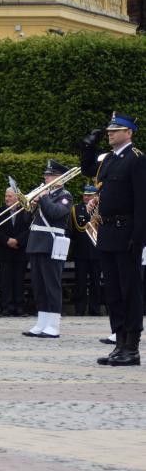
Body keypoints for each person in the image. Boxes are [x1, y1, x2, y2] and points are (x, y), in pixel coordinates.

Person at [81, 113, 146, 366]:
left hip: (127, 231)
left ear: (128, 133)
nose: (110, 133)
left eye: (116, 130)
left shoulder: (137, 160)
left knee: (130, 290)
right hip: (107, 232)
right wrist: (88, 146)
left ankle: (132, 347)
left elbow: (142, 202)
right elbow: (88, 170)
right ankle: (119, 343)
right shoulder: (108, 159)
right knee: (113, 291)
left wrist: (139, 238)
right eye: (109, 130)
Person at [22, 159, 73, 339]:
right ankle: (42, 322)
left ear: (60, 178)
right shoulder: (47, 195)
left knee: (52, 285)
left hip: (52, 244)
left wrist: (42, 198)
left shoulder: (65, 196)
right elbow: (27, 220)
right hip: (36, 243)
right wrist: (33, 205)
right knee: (39, 285)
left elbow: (55, 213)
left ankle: (53, 324)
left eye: (50, 175)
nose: (46, 177)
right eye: (46, 174)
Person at [0, 187, 31, 316]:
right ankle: (6, 307)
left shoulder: (26, 211)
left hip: (20, 251)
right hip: (5, 251)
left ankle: (19, 307)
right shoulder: (0, 212)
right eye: (6, 196)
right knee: (5, 281)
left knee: (19, 280)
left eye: (9, 196)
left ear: (17, 198)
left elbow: (29, 230)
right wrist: (7, 240)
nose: (6, 198)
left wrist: (17, 241)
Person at [71, 185, 102, 315]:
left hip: (97, 252)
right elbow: (73, 230)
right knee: (80, 282)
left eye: (89, 195)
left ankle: (95, 309)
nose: (86, 197)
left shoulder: (101, 209)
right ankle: (79, 309)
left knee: (96, 282)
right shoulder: (76, 209)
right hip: (81, 252)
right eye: (85, 195)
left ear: (96, 196)